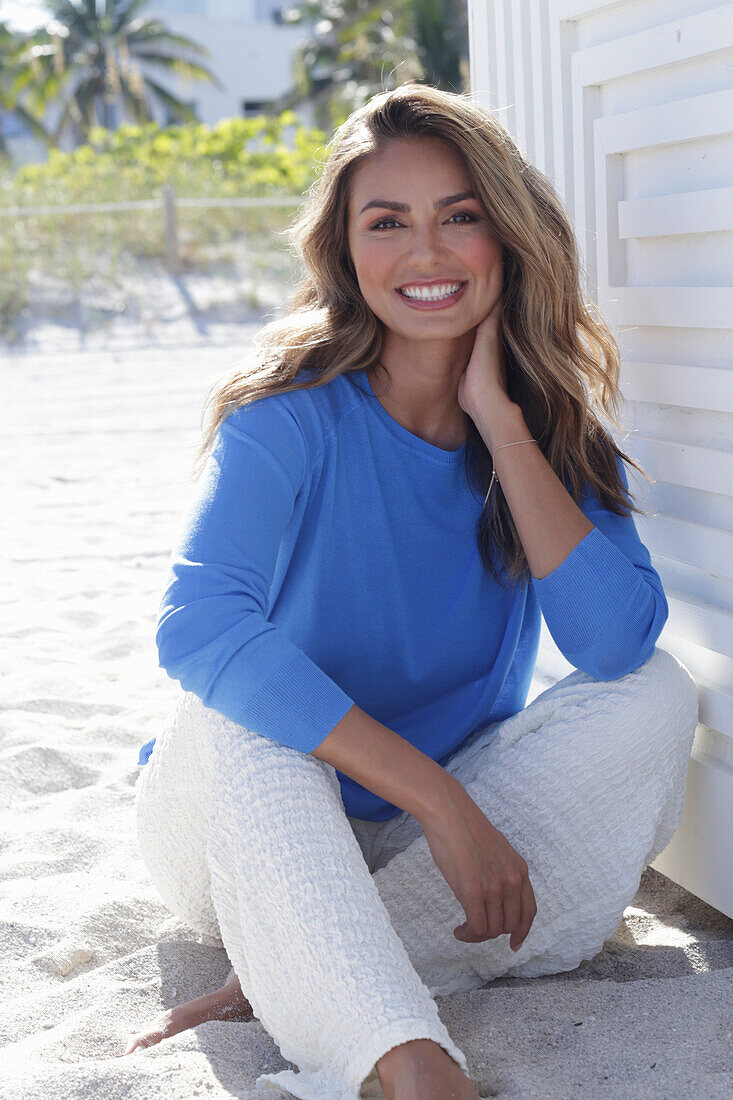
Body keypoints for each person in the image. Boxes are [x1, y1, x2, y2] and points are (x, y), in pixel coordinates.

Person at [124, 83, 699, 1100]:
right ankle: (410, 1061)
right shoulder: (287, 413)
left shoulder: (545, 432)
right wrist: (438, 799)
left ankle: (300, 964)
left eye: (459, 216)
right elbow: (198, 626)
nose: (424, 252)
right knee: (243, 703)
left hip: (404, 844)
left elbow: (613, 645)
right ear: (346, 254)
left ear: (506, 237)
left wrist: (503, 423)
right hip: (236, 816)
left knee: (656, 693)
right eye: (386, 222)